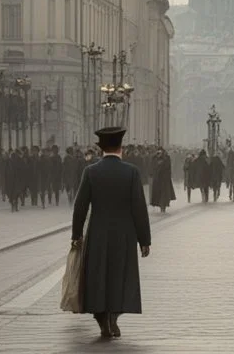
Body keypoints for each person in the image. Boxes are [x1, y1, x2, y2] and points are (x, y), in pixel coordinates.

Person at [71, 127, 151, 340]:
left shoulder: (91, 172)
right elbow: (139, 208)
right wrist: (144, 240)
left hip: (97, 233)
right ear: (120, 148)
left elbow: (80, 206)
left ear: (101, 149)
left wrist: (76, 235)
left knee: (98, 277)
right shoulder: (131, 172)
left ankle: (102, 320)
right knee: (120, 276)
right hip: (124, 234)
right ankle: (114, 316)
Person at [149, 148, 177, 213]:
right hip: (157, 179)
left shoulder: (166, 158)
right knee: (158, 194)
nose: (159, 154)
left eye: (160, 152)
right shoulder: (154, 158)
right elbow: (152, 167)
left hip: (164, 180)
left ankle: (163, 208)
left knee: (163, 195)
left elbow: (168, 168)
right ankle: (160, 206)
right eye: (158, 152)